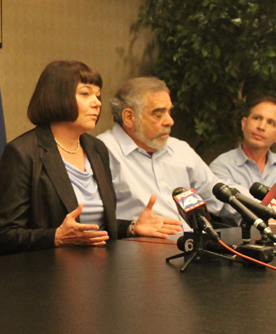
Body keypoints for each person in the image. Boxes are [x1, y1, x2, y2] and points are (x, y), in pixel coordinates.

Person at [0, 61, 181, 255]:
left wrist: (133, 227)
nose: (97, 102)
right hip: (47, 271)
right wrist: (56, 237)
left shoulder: (96, 148)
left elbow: (95, 225)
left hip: (100, 265)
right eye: (85, 94)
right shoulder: (23, 152)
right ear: (57, 97)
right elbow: (5, 236)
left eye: (98, 95)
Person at [97, 77, 244, 228]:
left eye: (169, 112)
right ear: (129, 117)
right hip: (138, 246)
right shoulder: (102, 151)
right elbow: (93, 219)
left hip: (191, 245)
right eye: (158, 114)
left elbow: (217, 194)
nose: (169, 121)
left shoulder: (179, 149)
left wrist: (264, 207)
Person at [210, 96, 276, 191]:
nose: (261, 127)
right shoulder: (222, 166)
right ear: (244, 124)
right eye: (257, 118)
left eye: (270, 123)